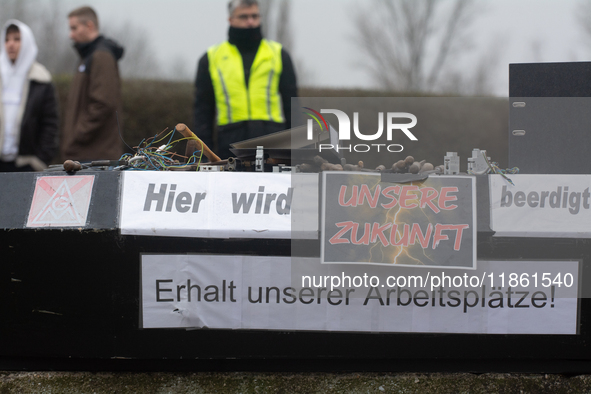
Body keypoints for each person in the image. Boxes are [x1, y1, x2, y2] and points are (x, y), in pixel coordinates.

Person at [193, 0, 298, 159]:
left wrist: (298, 149)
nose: (250, 21)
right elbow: (203, 112)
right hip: (230, 140)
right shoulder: (211, 58)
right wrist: (205, 153)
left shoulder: (279, 54)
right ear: (230, 19)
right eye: (244, 16)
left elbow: (293, 105)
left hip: (272, 138)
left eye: (255, 16)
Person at [61, 6, 124, 162]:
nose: (71, 34)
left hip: (96, 156)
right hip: (84, 154)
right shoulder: (87, 56)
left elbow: (103, 103)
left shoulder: (101, 56)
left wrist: (77, 135)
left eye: (74, 28)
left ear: (89, 25)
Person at [0, 20, 58, 172]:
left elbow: (50, 123)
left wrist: (39, 160)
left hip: (26, 165)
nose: (10, 44)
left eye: (16, 39)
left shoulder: (41, 79)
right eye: (7, 39)